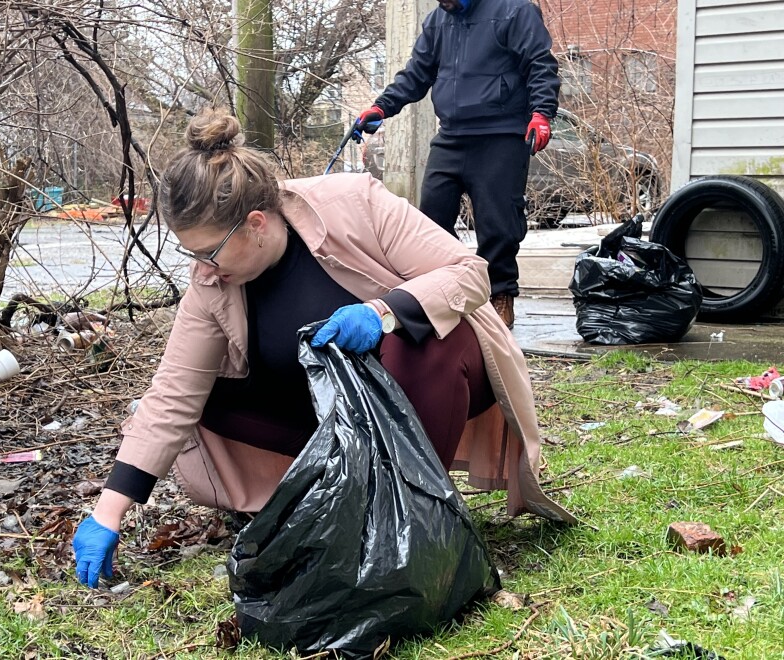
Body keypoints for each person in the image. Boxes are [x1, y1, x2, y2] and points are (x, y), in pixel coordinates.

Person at [72, 110, 573, 588]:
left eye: (208, 252)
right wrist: (108, 513)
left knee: (429, 341)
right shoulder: (214, 284)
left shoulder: (353, 203)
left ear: (255, 223)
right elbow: (173, 394)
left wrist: (384, 313)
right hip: (330, 421)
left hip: (427, 387)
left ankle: (413, 517)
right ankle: (323, 503)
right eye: (191, 254)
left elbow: (469, 273)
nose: (201, 268)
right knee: (207, 397)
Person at [355, 0, 559, 328]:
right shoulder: (438, 21)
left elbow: (540, 64)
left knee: (497, 225)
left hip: (501, 135)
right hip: (451, 135)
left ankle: (500, 295)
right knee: (431, 221)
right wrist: (381, 107)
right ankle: (446, 295)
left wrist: (542, 113)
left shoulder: (514, 10)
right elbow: (416, 74)